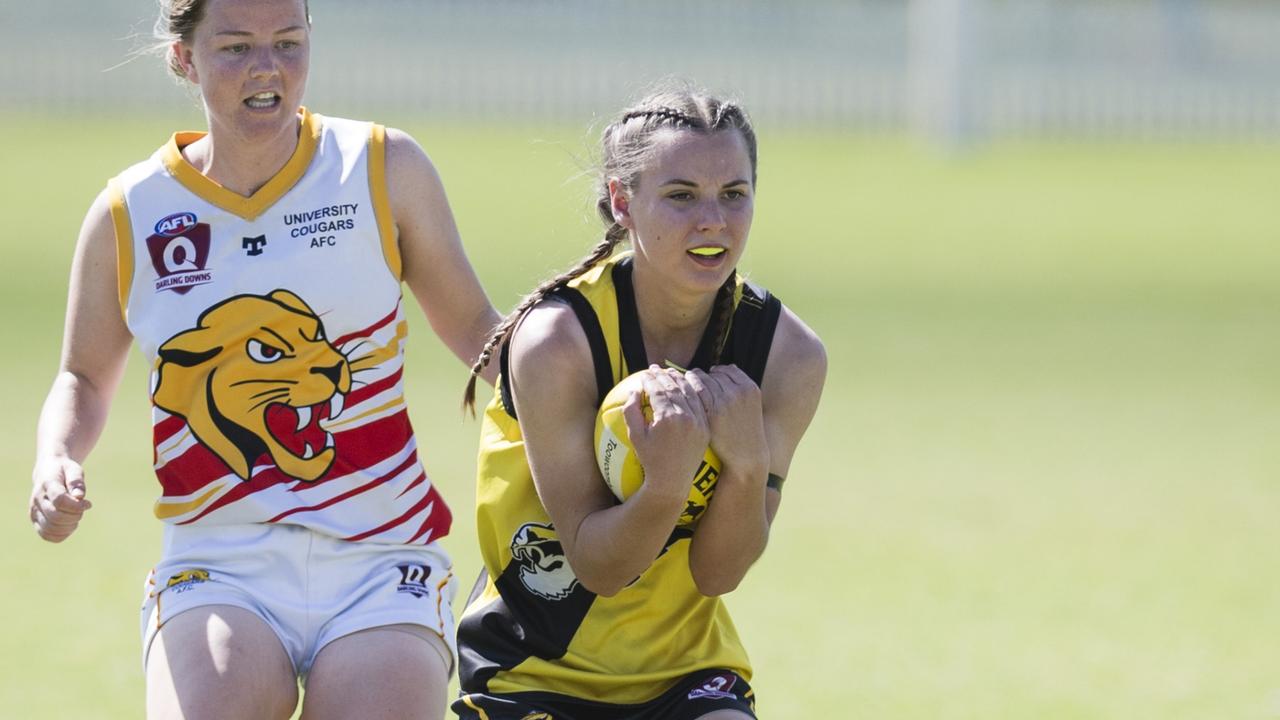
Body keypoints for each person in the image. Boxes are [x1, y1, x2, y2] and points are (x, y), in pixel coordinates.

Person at [27, 0, 500, 717]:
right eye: (237, 47)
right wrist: (56, 456)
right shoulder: (132, 211)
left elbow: (477, 331)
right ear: (183, 58)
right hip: (219, 565)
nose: (267, 69)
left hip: (382, 561)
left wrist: (592, 403)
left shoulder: (382, 166)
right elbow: (83, 376)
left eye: (287, 42)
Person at [454, 84, 827, 719]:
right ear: (623, 202)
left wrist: (743, 466)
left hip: (687, 675)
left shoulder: (787, 356)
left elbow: (719, 575)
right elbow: (599, 567)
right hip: (531, 668)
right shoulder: (556, 342)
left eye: (733, 195)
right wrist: (665, 484)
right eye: (681, 196)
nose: (713, 220)